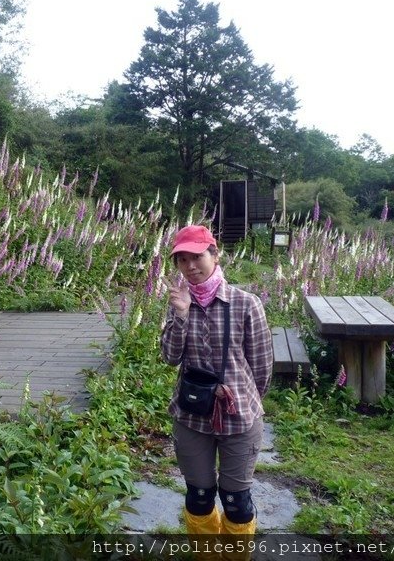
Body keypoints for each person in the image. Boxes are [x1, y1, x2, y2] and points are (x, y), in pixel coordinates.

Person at [161, 225, 273, 559]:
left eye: (196, 256)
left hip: (239, 418)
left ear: (214, 254)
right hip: (191, 415)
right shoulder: (179, 302)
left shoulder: (246, 304)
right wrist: (180, 315)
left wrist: (243, 399)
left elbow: (262, 367)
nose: (190, 265)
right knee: (198, 494)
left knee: (236, 500)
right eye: (182, 259)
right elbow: (169, 357)